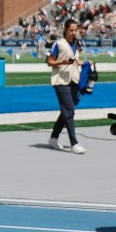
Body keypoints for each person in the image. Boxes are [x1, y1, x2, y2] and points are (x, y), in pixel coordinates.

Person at [47, 20, 87, 153]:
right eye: (71, 30)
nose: (74, 32)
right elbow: (50, 61)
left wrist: (84, 63)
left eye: (76, 30)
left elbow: (76, 59)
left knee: (66, 111)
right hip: (61, 81)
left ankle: (53, 137)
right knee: (69, 111)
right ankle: (74, 143)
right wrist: (62, 62)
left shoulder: (76, 43)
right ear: (65, 29)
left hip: (74, 80)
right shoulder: (58, 44)